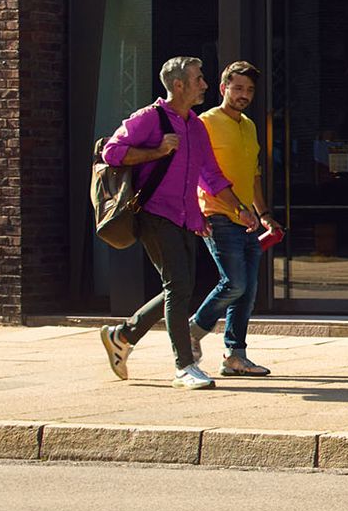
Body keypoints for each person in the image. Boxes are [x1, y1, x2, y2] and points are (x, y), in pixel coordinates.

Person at [97, 55, 232, 391]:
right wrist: (155, 152)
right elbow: (111, 153)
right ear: (179, 85)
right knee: (179, 286)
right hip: (155, 213)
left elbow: (209, 175)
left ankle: (124, 334)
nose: (204, 84)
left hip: (186, 217)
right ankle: (184, 366)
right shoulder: (150, 118)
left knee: (180, 286)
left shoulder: (196, 126)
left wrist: (238, 210)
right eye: (199, 79)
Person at [189, 59, 274, 378]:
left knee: (248, 290)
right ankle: (193, 331)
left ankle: (235, 356)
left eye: (249, 90)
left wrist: (263, 213)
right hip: (218, 214)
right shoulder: (205, 122)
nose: (244, 94)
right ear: (223, 88)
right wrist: (196, 212)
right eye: (237, 88)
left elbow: (253, 174)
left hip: (248, 219)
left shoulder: (249, 125)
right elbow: (198, 172)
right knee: (234, 283)